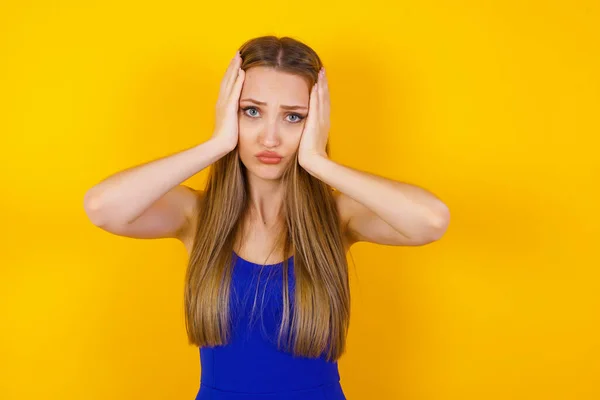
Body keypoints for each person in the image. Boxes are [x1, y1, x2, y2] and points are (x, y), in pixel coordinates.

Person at [83, 35, 450, 399]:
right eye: (252, 111)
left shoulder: (338, 217)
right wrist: (215, 145)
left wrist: (319, 162)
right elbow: (101, 207)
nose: (270, 138)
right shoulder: (195, 214)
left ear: (314, 124)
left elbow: (431, 220)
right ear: (230, 113)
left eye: (293, 117)